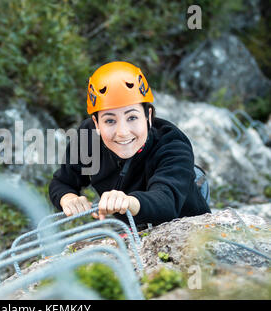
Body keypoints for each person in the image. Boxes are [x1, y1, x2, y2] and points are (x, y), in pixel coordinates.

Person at [49, 61, 211, 228]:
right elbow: (62, 181)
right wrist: (68, 197)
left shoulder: (172, 144)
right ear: (96, 123)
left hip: (187, 227)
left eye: (132, 117)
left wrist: (129, 202)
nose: (123, 132)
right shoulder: (89, 137)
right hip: (134, 230)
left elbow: (166, 202)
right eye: (110, 120)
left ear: (148, 116)